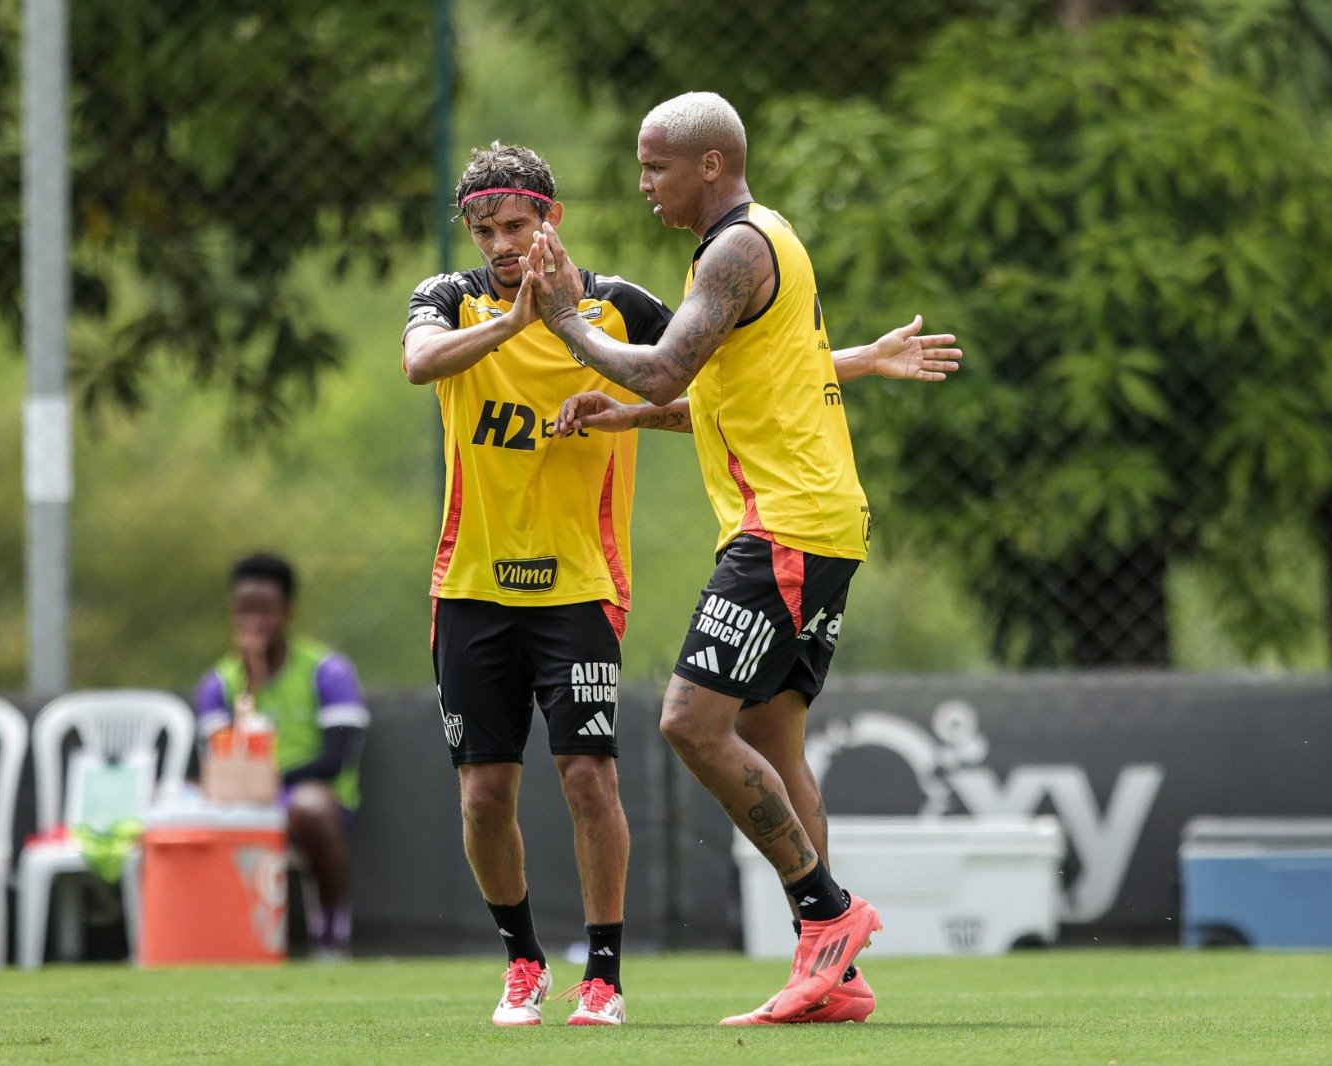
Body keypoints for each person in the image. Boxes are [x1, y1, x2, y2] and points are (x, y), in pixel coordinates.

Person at [403, 142, 959, 1027]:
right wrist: (519, 323)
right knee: (488, 791)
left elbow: (716, 365)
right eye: (485, 230)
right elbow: (421, 363)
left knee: (612, 768)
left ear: (551, 219)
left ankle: (622, 972)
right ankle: (529, 963)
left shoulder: (621, 304)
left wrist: (854, 360)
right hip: (470, 584)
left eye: (516, 224)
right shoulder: (449, 298)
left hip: (592, 583)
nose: (502, 244)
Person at [194, 552, 367, 959]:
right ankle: (215, 941)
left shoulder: (329, 672)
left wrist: (264, 784)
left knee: (313, 806)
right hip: (235, 803)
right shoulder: (219, 684)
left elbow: (335, 760)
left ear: (288, 613)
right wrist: (250, 684)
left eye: (266, 611)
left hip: (303, 799)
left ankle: (329, 933)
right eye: (244, 611)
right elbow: (219, 765)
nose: (254, 623)